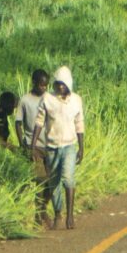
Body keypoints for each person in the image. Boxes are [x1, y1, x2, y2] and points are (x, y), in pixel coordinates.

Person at [36, 64, 86, 230]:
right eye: (58, 83)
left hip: (69, 146)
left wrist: (81, 148)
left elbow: (79, 125)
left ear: (68, 84)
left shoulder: (76, 100)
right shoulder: (47, 99)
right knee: (54, 183)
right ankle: (58, 213)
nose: (60, 87)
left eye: (63, 84)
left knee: (68, 179)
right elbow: (39, 122)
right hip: (52, 147)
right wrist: (33, 144)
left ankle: (70, 216)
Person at [12, 68, 51, 220]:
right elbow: (18, 123)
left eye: (46, 86)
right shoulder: (25, 100)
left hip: (50, 144)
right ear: (34, 83)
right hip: (33, 146)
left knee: (52, 180)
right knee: (40, 180)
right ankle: (39, 213)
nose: (43, 88)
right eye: (41, 85)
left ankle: (43, 209)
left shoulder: (49, 98)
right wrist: (23, 144)